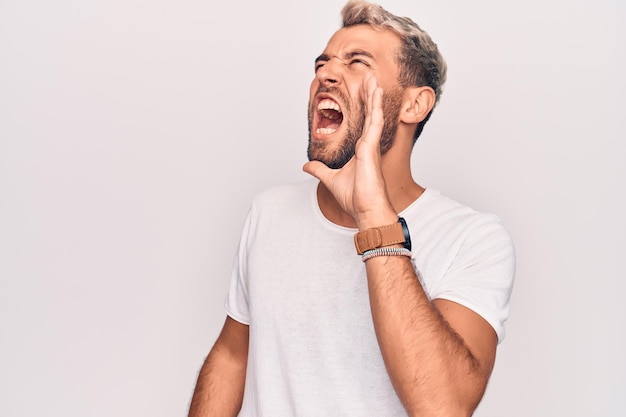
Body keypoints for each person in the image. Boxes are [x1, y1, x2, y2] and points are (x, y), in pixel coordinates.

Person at [188, 0, 515, 416]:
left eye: (357, 62)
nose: (326, 73)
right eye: (321, 63)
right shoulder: (269, 211)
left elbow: (442, 405)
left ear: (415, 104)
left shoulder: (472, 238)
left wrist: (374, 215)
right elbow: (233, 355)